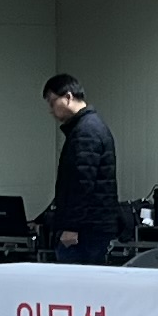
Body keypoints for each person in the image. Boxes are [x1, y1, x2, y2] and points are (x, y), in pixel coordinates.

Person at [36, 71, 120, 262]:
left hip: (85, 231)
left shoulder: (85, 132)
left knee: (75, 279)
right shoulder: (90, 126)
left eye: (52, 102)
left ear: (68, 97)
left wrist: (71, 227)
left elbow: (81, 184)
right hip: (94, 226)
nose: (51, 110)